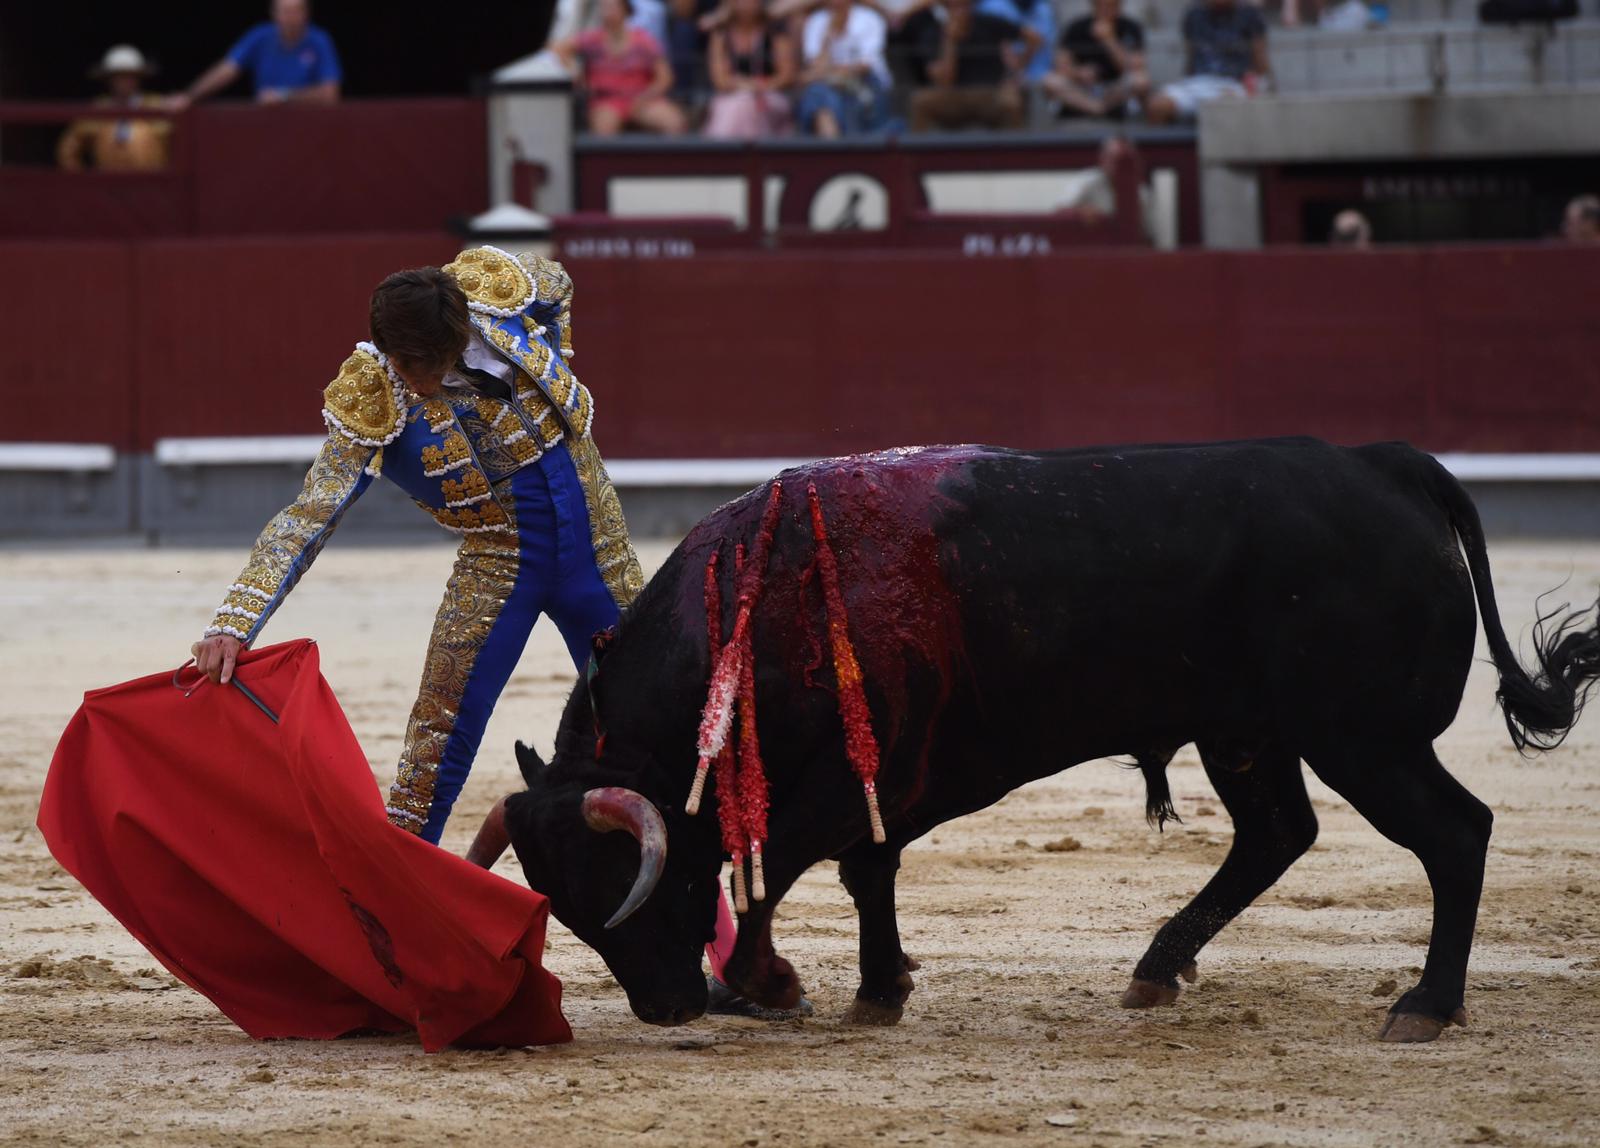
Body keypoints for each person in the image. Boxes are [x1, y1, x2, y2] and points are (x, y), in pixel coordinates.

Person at [189, 246, 797, 1019]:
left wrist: (559, 351)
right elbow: (309, 514)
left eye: (432, 363)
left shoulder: (501, 293)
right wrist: (234, 621)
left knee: (682, 743)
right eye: (411, 366)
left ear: (456, 333)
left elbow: (559, 285)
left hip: (598, 542)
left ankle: (738, 960)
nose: (422, 380)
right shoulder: (373, 391)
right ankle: (384, 955)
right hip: (499, 560)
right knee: (434, 749)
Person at [169, 0, 341, 108]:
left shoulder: (320, 41)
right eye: (285, 11)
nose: (290, 18)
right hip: (265, 123)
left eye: (296, 11)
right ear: (274, 13)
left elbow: (330, 94)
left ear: (306, 14)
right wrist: (190, 96)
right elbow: (226, 70)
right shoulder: (260, 37)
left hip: (308, 124)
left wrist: (283, 96)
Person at [556, 0, 688, 136]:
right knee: (604, 130)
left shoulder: (643, 40)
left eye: (613, 7)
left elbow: (665, 77)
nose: (608, 12)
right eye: (604, 7)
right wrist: (575, 71)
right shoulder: (592, 39)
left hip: (642, 98)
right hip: (606, 100)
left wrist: (645, 97)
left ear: (625, 10)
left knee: (674, 123)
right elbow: (558, 48)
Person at [1146, 0, 1270, 124]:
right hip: (1199, 83)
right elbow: (1191, 58)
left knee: (1227, 105)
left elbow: (1260, 59)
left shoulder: (1250, 14)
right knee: (1157, 106)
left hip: (1233, 84)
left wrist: (1261, 86)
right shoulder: (1194, 14)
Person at [909, 0, 1025, 132]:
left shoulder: (990, 23)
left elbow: (1033, 38)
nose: (960, 12)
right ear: (946, 8)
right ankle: (918, 145)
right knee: (920, 100)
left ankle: (1017, 145)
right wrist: (950, 41)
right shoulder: (932, 33)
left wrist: (1016, 70)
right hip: (953, 98)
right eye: (955, 7)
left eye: (965, 6)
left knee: (1012, 101)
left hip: (990, 94)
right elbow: (944, 81)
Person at [57, 45, 171, 172]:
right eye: (118, 77)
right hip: (106, 181)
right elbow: (69, 149)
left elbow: (178, 144)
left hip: (150, 180)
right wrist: (83, 180)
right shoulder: (98, 109)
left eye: (129, 76)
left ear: (138, 78)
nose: (124, 82)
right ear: (109, 79)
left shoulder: (155, 106)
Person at [796, 0, 892, 137]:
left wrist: (823, 73)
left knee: (819, 94)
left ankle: (833, 145)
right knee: (818, 94)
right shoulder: (816, 21)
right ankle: (832, 145)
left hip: (867, 82)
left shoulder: (869, 18)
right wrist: (827, 40)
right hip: (827, 84)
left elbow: (866, 66)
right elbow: (814, 65)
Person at [704, 0, 797, 139]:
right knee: (741, 105)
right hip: (732, 97)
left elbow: (787, 75)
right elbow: (720, 81)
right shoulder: (721, 34)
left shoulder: (776, 31)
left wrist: (759, 86)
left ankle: (725, 149)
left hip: (771, 95)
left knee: (747, 106)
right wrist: (747, 87)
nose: (746, 4)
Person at [1044, 0, 1148, 119]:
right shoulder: (1076, 27)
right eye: (1101, 5)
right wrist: (1078, 73)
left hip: (1115, 88)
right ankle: (1097, 109)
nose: (1106, 9)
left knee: (1140, 80)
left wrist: (1109, 40)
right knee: (1051, 81)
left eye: (1112, 5)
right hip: (1081, 89)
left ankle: (1101, 108)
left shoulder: (1131, 27)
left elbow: (1135, 67)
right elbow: (1060, 63)